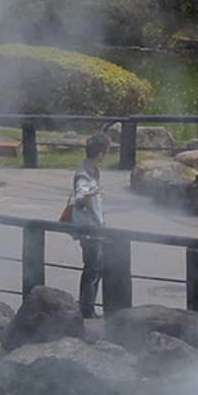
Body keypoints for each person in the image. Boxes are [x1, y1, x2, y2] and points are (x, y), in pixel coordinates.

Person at [71, 132, 109, 318]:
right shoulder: (84, 174)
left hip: (96, 228)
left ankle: (89, 308)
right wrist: (92, 193)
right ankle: (86, 310)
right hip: (89, 231)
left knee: (96, 269)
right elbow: (80, 196)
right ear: (100, 154)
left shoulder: (92, 171)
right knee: (92, 270)